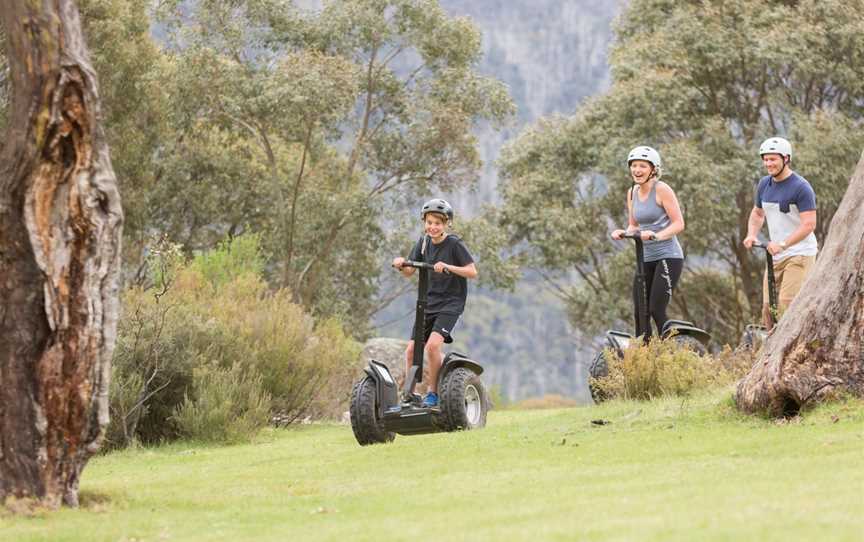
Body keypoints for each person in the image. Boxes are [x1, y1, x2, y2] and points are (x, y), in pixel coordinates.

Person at [392, 199, 477, 408]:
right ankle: (410, 395)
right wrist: (400, 264)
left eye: (438, 223)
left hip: (451, 303)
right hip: (427, 302)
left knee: (432, 347)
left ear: (446, 223)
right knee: (411, 350)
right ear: (424, 222)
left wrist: (448, 266)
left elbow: (472, 271)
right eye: (429, 222)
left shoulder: (454, 244)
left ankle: (433, 393)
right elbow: (409, 272)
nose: (433, 227)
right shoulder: (423, 243)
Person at [611, 146, 685, 340]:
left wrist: (656, 236)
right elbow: (633, 225)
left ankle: (671, 352)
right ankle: (645, 355)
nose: (637, 170)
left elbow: (679, 224)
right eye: (634, 165)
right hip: (646, 257)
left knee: (656, 309)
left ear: (653, 169)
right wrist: (624, 233)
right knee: (640, 311)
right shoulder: (632, 192)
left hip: (668, 256)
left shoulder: (662, 189)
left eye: (642, 166)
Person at [743, 137, 818, 330]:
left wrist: (783, 244)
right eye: (765, 159)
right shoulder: (764, 185)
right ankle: (770, 354)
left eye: (773, 159)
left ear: (786, 159)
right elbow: (757, 214)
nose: (768, 164)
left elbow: (809, 224)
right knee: (768, 309)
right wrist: (751, 235)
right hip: (775, 254)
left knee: (786, 304)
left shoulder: (801, 187)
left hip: (799, 253)